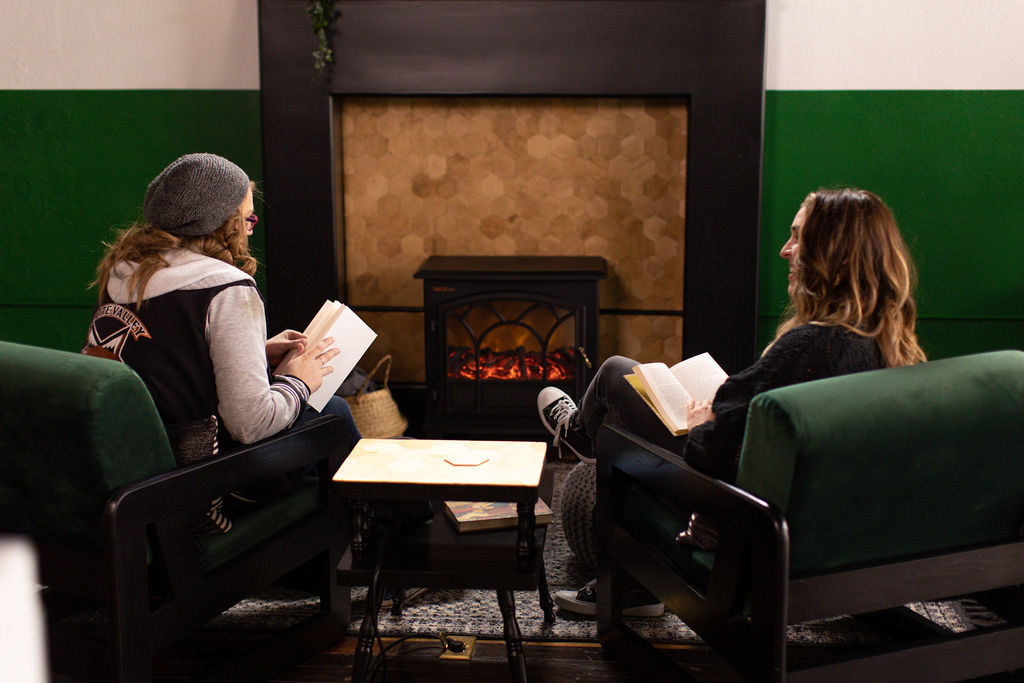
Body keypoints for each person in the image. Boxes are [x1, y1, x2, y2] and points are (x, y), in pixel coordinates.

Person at [537, 188, 926, 617]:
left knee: (616, 376)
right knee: (631, 401)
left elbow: (711, 455)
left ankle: (587, 450)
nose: (784, 250)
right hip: (827, 529)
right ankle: (592, 444)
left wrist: (703, 423)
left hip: (743, 515)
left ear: (831, 253)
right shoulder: (890, 349)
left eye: (797, 237)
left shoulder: (813, 347)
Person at [83, 152, 361, 532]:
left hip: (139, 473)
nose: (251, 229)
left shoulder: (125, 270)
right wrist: (300, 381)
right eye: (247, 218)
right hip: (202, 487)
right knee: (334, 411)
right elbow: (251, 424)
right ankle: (386, 538)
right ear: (222, 224)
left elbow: (160, 365)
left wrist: (255, 352)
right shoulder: (226, 286)